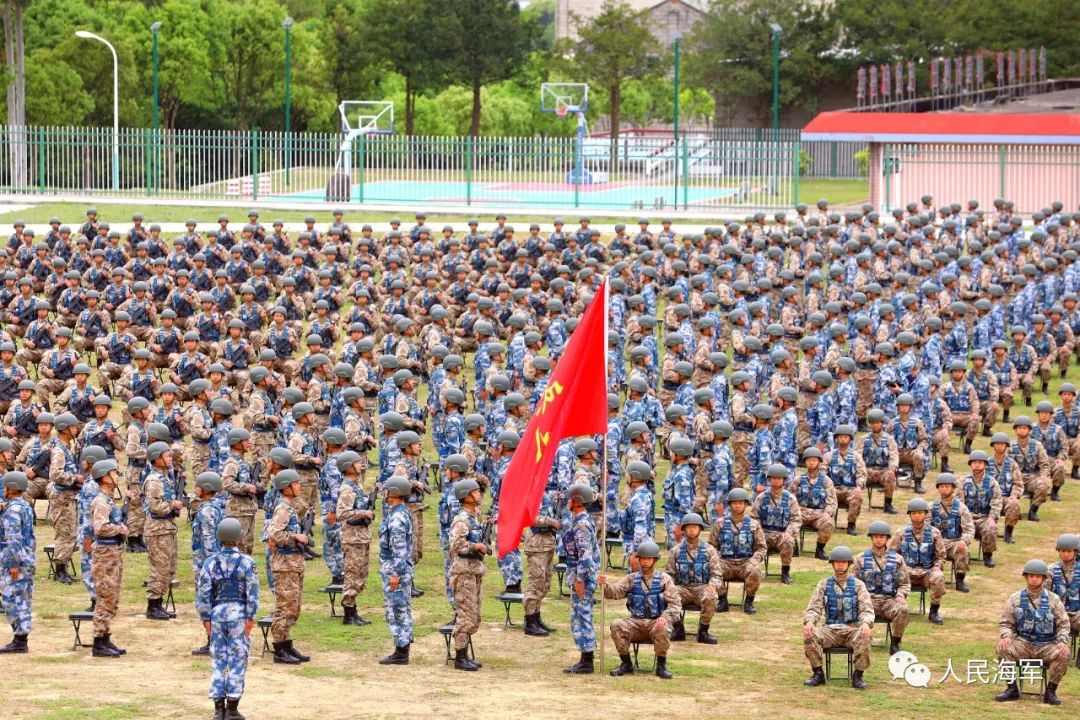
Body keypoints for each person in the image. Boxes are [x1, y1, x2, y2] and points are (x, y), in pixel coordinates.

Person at [195, 517, 259, 720]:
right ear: (239, 538)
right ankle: (232, 707)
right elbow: (253, 592)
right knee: (238, 659)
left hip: (217, 615)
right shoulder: (247, 562)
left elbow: (203, 593)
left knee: (218, 660)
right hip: (239, 615)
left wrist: (206, 617)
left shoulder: (210, 562)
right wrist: (251, 617)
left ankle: (218, 709)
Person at [995, 559, 1072, 705]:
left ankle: (1050, 691)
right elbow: (1006, 622)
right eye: (1031, 576)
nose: (1034, 579)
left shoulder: (1054, 599)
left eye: (1038, 576)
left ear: (1043, 578)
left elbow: (1063, 624)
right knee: (1003, 648)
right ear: (1026, 577)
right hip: (1023, 642)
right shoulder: (1015, 598)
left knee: (1064, 654)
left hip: (1046, 644)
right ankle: (1012, 688)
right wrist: (1006, 636)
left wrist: (1062, 641)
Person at [601, 540, 682, 680]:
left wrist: (665, 617)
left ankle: (661, 666)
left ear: (655, 560)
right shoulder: (631, 579)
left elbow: (676, 605)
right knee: (617, 625)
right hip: (636, 623)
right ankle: (626, 664)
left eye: (648, 559)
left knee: (662, 627)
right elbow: (614, 592)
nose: (645, 562)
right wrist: (605, 585)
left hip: (656, 622)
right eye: (642, 559)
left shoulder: (665, 579)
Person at [803, 546, 874, 689]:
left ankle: (858, 675)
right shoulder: (823, 584)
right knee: (810, 635)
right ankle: (818, 673)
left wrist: (866, 623)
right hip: (831, 630)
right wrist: (810, 622)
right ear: (832, 564)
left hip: (852, 630)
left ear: (849, 564)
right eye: (837, 562)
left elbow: (866, 608)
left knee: (865, 637)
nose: (840, 565)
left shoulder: (859, 585)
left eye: (843, 562)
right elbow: (814, 607)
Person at [267, 469, 311, 665]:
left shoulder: (290, 507)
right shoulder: (283, 509)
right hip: (284, 565)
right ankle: (279, 647)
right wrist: (296, 537)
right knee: (284, 607)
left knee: (293, 606)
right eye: (295, 483)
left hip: (293, 563)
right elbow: (275, 535)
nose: (299, 486)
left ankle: (286, 643)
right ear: (286, 487)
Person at [665, 513, 723, 644]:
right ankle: (678, 629)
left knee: (711, 597)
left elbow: (717, 575)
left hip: (702, 587)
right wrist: (670, 589)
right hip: (682, 588)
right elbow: (669, 575)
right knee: (668, 594)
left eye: (695, 527)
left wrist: (712, 586)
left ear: (700, 529)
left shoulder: (709, 550)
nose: (692, 529)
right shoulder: (676, 551)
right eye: (689, 527)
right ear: (684, 529)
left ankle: (703, 631)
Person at [89, 458, 127, 657]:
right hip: (105, 554)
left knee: (111, 596)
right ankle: (98, 641)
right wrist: (120, 528)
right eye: (114, 473)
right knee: (105, 596)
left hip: (113, 553)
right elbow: (101, 528)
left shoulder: (109, 499)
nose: (117, 476)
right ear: (105, 476)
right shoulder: (101, 501)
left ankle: (105, 636)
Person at [853, 521, 909, 655]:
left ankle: (895, 643)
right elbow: (852, 584)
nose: (879, 539)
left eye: (882, 537)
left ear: (887, 539)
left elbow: (904, 583)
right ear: (871, 538)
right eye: (876, 536)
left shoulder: (897, 559)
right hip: (867, 601)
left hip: (888, 601)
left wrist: (901, 595)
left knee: (902, 609)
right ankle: (858, 640)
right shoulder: (860, 559)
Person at [448, 477, 486, 670]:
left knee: (474, 614)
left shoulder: (474, 517)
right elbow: (456, 545)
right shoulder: (461, 520)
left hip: (474, 569)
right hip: (464, 572)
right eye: (475, 491)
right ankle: (460, 656)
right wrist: (475, 545)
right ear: (466, 496)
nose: (479, 494)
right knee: (465, 614)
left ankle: (465, 655)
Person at [888, 498, 947, 625]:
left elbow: (941, 556)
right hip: (907, 572)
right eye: (914, 513)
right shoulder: (901, 533)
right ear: (910, 515)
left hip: (927, 572)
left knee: (938, 577)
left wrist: (937, 566)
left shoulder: (934, 533)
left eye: (920, 513)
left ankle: (934, 611)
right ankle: (896, 609)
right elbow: (892, 554)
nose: (917, 516)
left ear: (926, 514)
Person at [710, 487, 766, 614]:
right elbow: (711, 546)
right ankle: (722, 600)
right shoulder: (720, 523)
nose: (737, 506)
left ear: (746, 504)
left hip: (745, 562)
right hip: (725, 562)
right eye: (734, 503)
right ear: (730, 505)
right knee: (711, 568)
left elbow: (762, 548)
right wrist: (715, 559)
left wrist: (755, 559)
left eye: (741, 503)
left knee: (755, 569)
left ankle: (749, 602)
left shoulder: (753, 524)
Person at [563, 483, 600, 675]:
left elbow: (585, 554)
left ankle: (587, 660)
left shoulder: (582, 525)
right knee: (578, 616)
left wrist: (580, 579)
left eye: (570, 498)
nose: (567, 501)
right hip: (581, 575)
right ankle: (585, 657)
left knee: (583, 616)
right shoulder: (580, 521)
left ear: (576, 501)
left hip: (582, 578)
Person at [378, 476, 415, 666]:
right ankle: (402, 648)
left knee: (397, 610)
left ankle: (401, 651)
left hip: (396, 571)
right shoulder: (399, 513)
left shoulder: (397, 517)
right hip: (397, 569)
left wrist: (396, 574)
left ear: (392, 492)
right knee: (400, 609)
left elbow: (399, 549)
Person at [143, 441, 182, 621]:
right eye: (166, 456)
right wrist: (173, 504)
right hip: (157, 529)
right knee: (159, 568)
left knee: (168, 567)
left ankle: (159, 603)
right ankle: (153, 604)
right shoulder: (154, 481)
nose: (169, 459)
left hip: (167, 527)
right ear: (157, 459)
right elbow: (156, 506)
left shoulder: (165, 477)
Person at [336, 450, 374, 627]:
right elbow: (342, 513)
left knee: (360, 574)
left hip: (361, 536)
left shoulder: (355, 486)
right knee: (352, 574)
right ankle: (348, 613)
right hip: (352, 538)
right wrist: (363, 512)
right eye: (357, 463)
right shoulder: (347, 489)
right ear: (348, 467)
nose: (361, 465)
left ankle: (353, 610)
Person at [0, 471, 35, 653]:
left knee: (12, 599)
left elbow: (13, 538)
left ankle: (20, 639)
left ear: (11, 488)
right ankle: (21, 638)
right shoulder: (24, 506)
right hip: (27, 557)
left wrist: (13, 563)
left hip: (15, 562)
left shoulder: (12, 510)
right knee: (24, 598)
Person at [523, 472, 560, 638]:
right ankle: (530, 620)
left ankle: (537, 617)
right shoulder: (532, 495)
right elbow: (530, 518)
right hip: (537, 543)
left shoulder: (543, 495)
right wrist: (550, 521)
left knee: (544, 583)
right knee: (535, 583)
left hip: (547, 542)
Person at [752, 463, 802, 584]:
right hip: (764, 534)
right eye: (773, 478)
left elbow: (796, 519)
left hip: (781, 534)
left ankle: (785, 572)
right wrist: (758, 533)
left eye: (779, 478)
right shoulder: (761, 498)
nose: (775, 481)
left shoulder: (790, 498)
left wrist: (789, 532)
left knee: (788, 541)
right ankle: (751, 571)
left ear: (784, 480)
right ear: (769, 480)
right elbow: (754, 518)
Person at [791, 448, 837, 560]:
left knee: (827, 523)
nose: (811, 463)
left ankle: (820, 549)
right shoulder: (797, 480)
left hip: (819, 514)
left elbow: (832, 502)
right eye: (809, 460)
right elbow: (789, 500)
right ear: (805, 462)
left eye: (814, 460)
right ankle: (793, 546)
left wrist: (827, 513)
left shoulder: (826, 481)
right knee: (787, 520)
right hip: (800, 512)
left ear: (819, 462)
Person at [1049, 534, 1080, 667]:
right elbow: (1044, 595)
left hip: (1076, 614)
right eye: (1063, 551)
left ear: (1075, 552)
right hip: (1056, 615)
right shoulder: (1050, 570)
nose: (1066, 554)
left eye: (1069, 551)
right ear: (1059, 552)